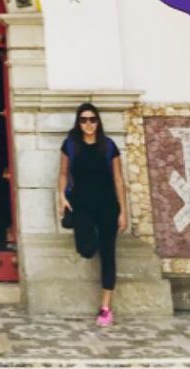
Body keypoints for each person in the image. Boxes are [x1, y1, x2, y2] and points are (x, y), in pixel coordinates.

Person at [57, 101, 128, 327]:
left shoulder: (108, 147)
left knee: (108, 255)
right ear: (79, 123)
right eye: (84, 120)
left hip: (107, 206)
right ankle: (94, 238)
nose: (89, 124)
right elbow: (62, 173)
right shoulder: (71, 145)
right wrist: (61, 195)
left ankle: (106, 307)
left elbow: (118, 179)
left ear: (98, 122)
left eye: (92, 119)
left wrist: (123, 211)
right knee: (86, 249)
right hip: (82, 206)